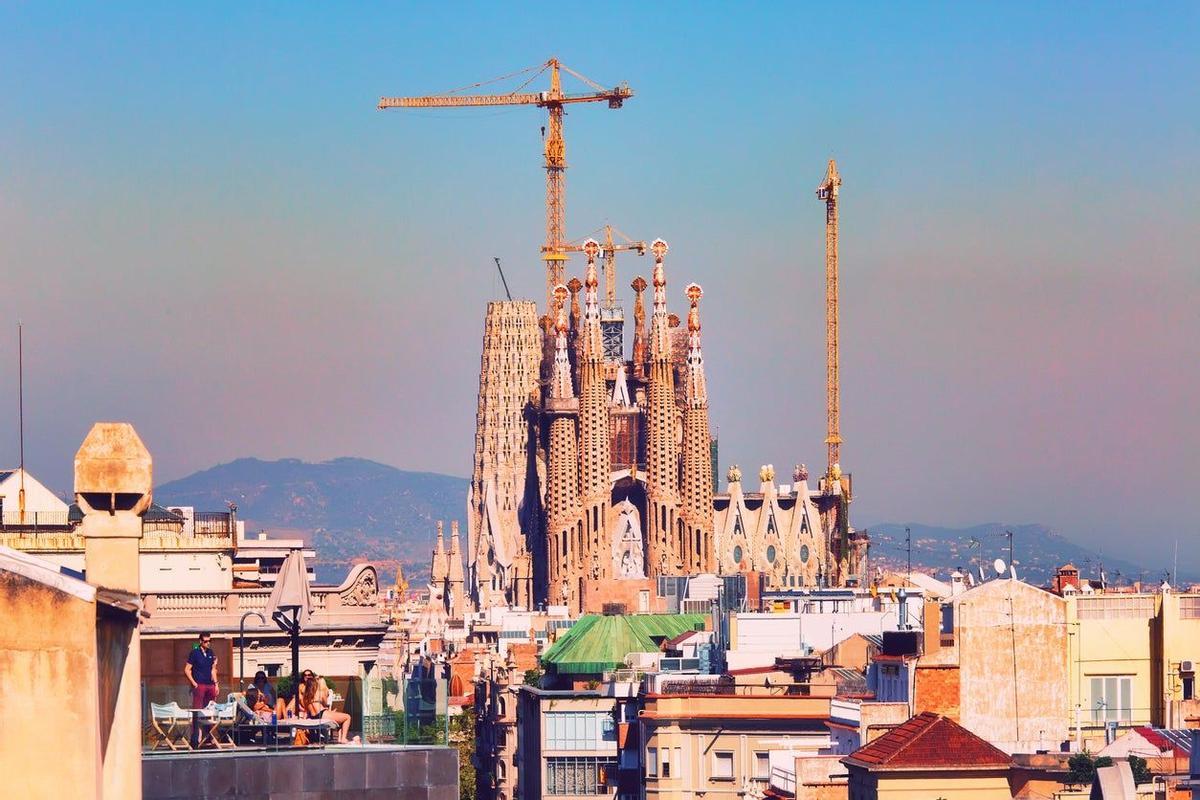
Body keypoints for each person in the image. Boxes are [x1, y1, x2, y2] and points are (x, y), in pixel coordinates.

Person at [184, 632, 219, 747]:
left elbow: (213, 670)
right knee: (197, 711)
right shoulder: (194, 653)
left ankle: (208, 737)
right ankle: (196, 738)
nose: (208, 643)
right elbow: (187, 669)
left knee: (210, 710)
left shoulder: (210, 653)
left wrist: (216, 684)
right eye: (205, 641)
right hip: (199, 685)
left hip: (210, 685)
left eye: (209, 641)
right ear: (200, 641)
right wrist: (194, 683)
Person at [299, 670, 352, 743]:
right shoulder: (318, 692)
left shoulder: (305, 696)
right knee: (347, 717)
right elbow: (325, 703)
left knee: (339, 719)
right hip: (322, 714)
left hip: (313, 716)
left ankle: (340, 738)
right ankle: (343, 739)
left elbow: (306, 709)